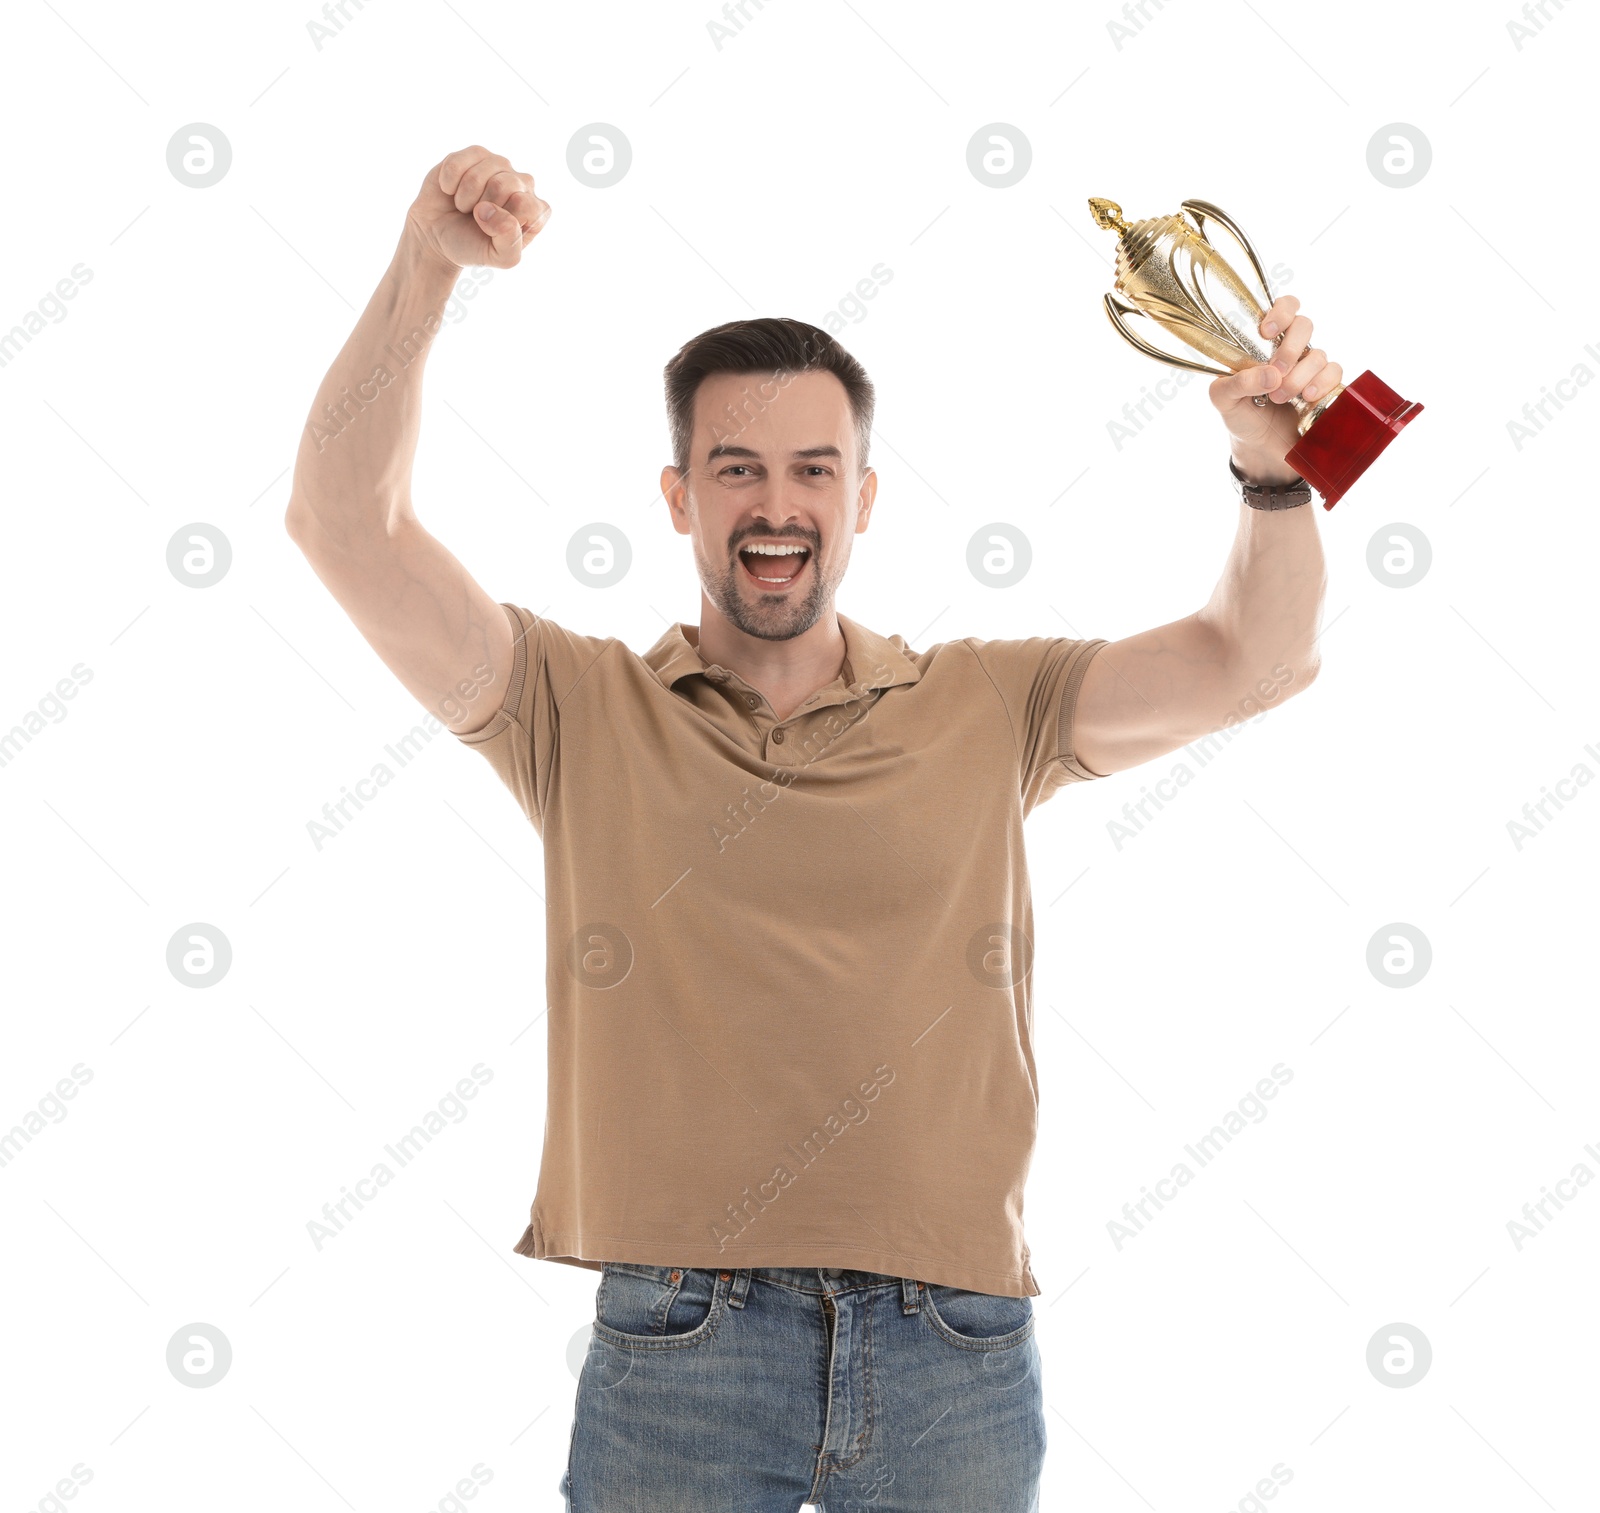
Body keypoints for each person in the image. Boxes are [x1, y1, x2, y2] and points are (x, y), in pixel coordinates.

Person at [287, 146, 1332, 1513]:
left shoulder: (988, 703)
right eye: (734, 469)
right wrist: (426, 268)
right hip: (682, 1352)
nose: (775, 505)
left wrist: (1271, 477)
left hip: (953, 1347)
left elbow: (1258, 659)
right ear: (679, 498)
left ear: (862, 497)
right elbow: (343, 526)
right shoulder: (575, 707)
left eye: (811, 470)